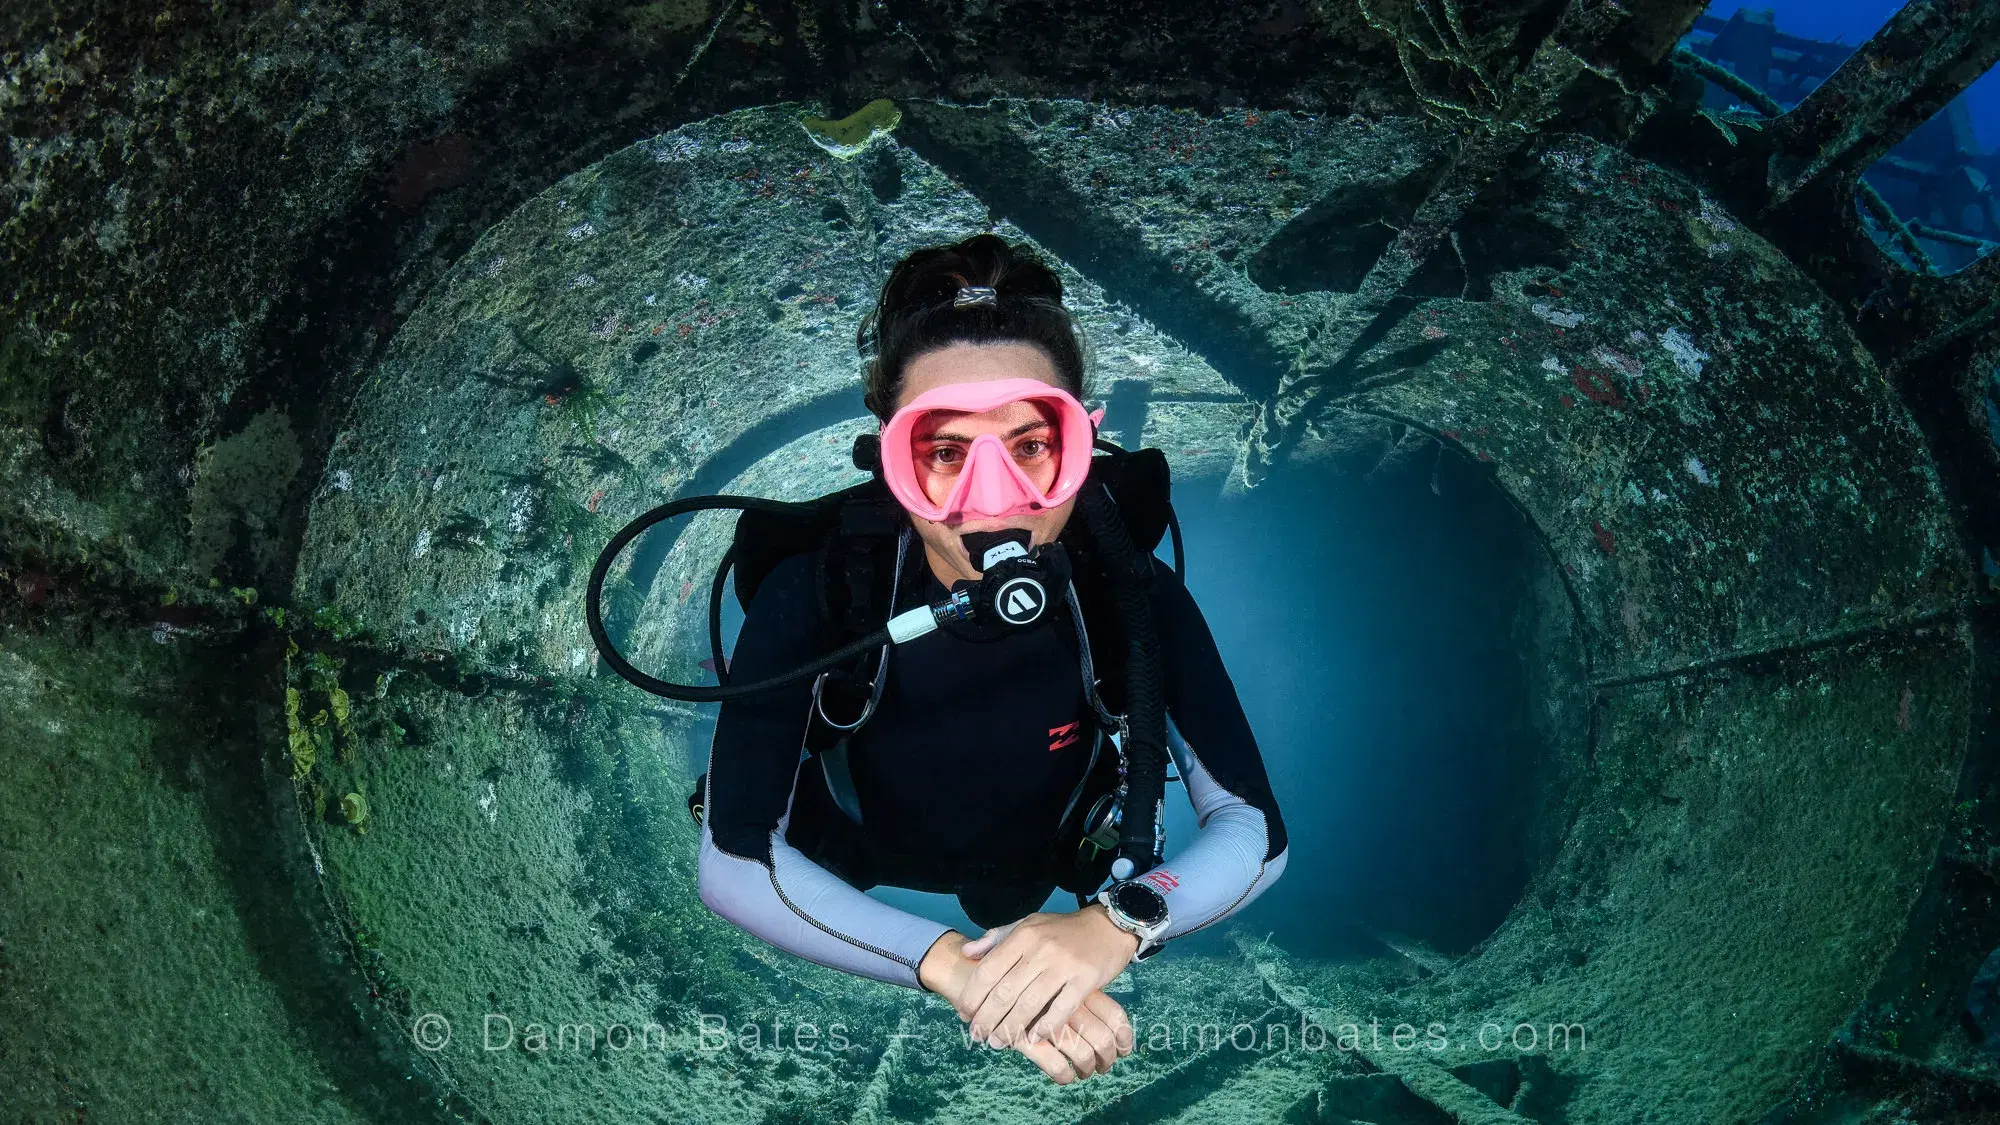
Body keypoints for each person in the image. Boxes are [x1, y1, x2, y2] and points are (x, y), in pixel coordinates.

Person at [695, 234, 1288, 1084]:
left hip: (1036, 860)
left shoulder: (1130, 595)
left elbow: (1256, 832)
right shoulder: (819, 591)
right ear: (890, 462)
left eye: (1031, 444)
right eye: (942, 452)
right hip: (857, 854)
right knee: (883, 888)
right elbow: (734, 858)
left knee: (1003, 905)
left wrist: (1115, 924)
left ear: (1081, 443)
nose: (991, 497)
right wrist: (954, 967)